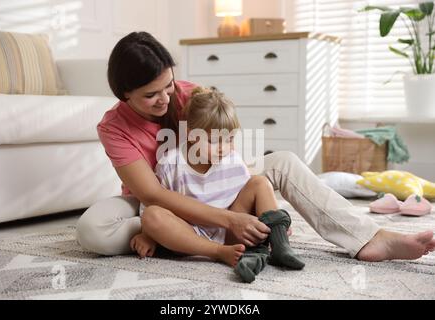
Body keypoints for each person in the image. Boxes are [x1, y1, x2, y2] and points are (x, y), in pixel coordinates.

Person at [76, 31, 435, 262]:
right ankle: (155, 233)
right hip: (159, 199)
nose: (165, 99)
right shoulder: (114, 127)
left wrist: (246, 191)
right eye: (150, 95)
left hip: (214, 188)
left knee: (282, 162)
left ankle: (370, 238)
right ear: (124, 95)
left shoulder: (187, 94)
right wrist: (230, 218)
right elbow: (153, 194)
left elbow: (227, 140)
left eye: (168, 86)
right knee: (92, 230)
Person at [130, 87, 305, 282]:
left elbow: (249, 199)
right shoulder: (171, 163)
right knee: (153, 215)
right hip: (189, 236)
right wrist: (148, 235)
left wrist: (272, 223)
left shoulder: (233, 161)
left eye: (229, 139)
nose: (224, 148)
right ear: (190, 134)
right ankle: (219, 252)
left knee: (260, 182)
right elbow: (152, 205)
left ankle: (279, 243)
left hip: (232, 232)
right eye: (214, 141)